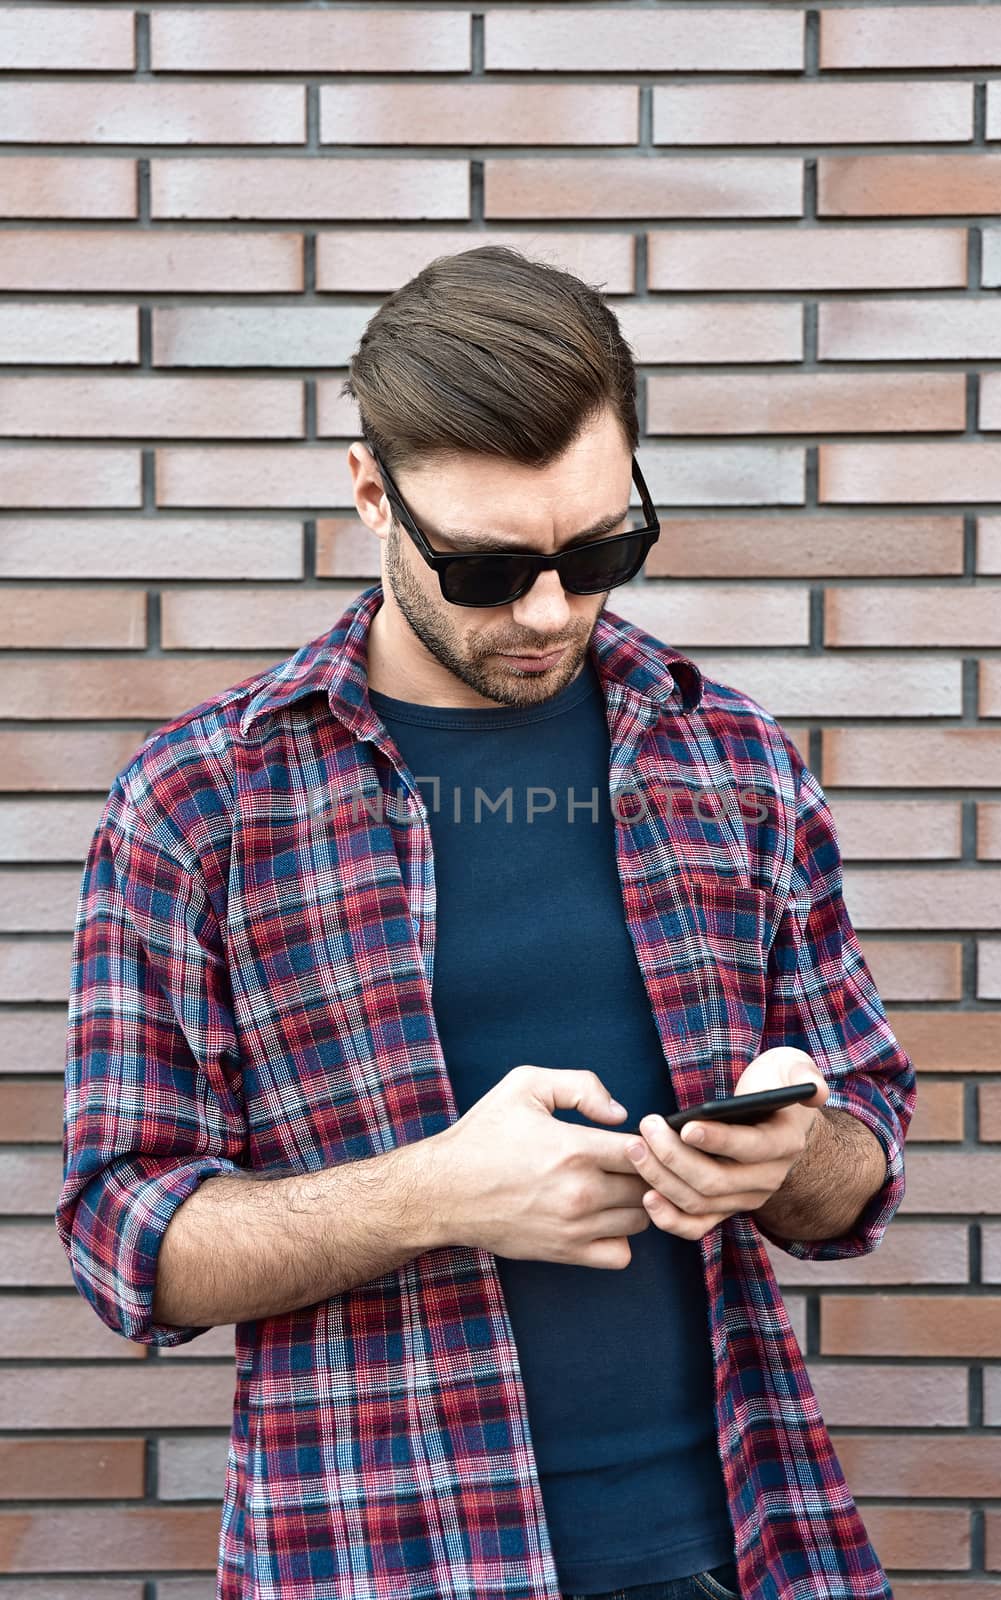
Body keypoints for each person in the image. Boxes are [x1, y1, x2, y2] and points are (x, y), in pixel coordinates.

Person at [56, 246, 916, 1600]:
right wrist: (432, 1194)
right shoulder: (197, 803)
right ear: (368, 494)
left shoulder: (732, 759)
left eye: (599, 552)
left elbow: (861, 1151)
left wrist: (792, 1154)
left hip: (737, 1548)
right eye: (487, 567)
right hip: (377, 1558)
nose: (550, 609)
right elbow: (123, 1238)